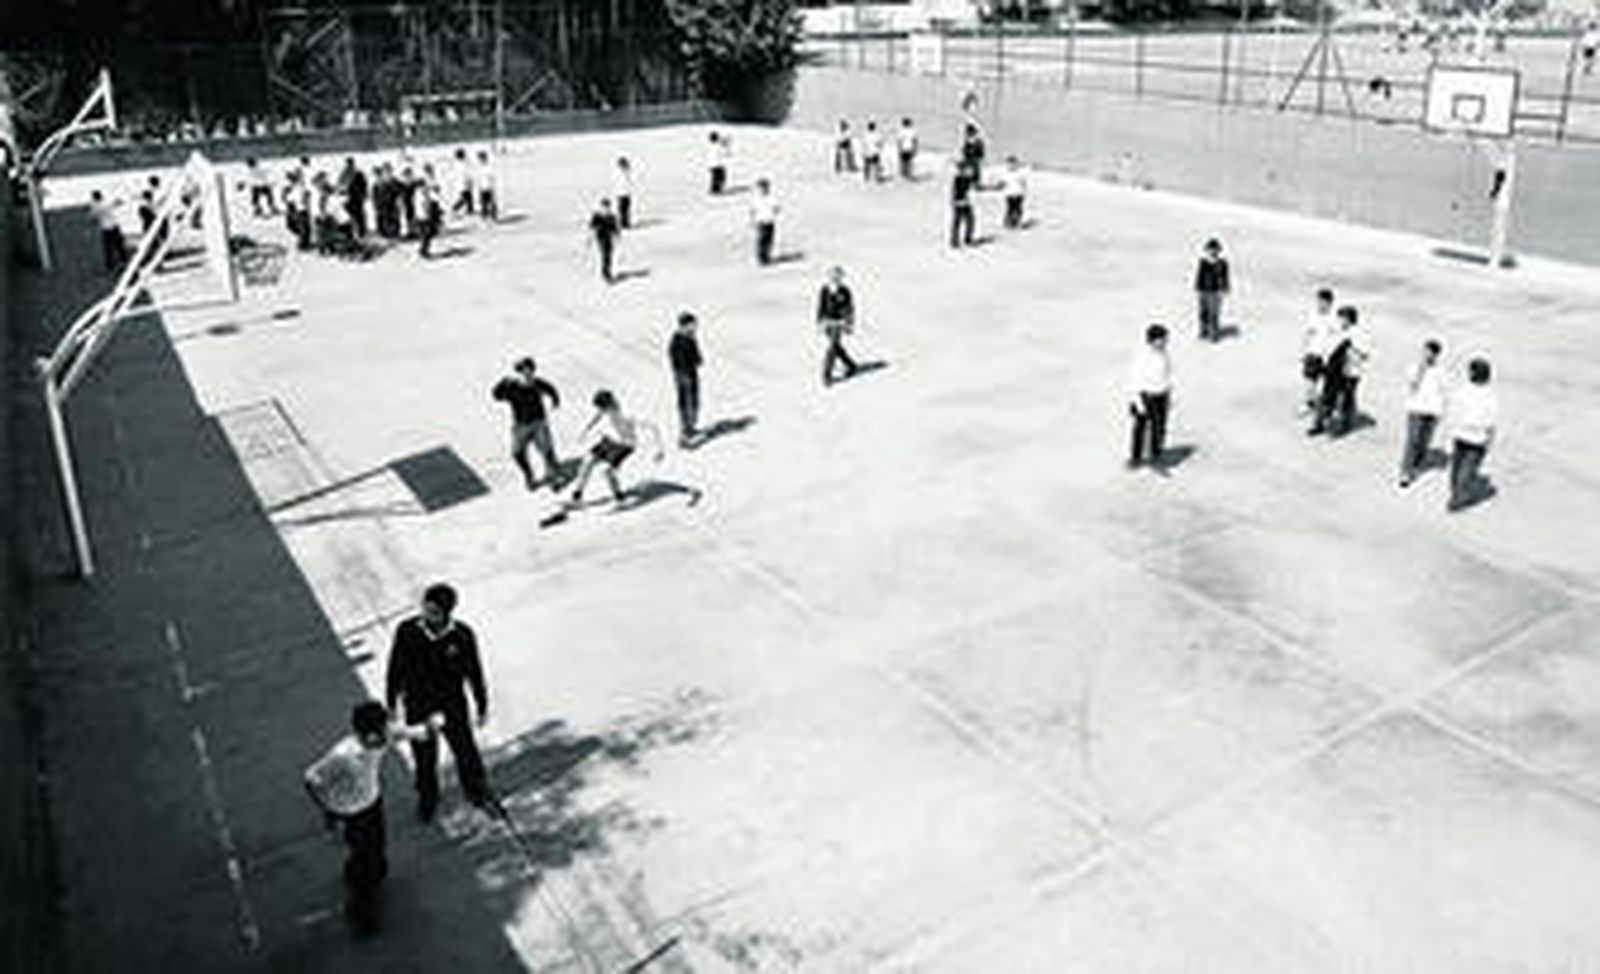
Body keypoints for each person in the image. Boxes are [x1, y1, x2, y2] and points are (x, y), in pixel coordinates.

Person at [304, 701, 444, 935]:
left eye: (384, 730)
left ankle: (359, 873)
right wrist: (328, 808)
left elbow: (416, 733)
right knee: (366, 861)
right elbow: (311, 778)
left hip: (372, 804)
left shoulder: (384, 734)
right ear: (363, 733)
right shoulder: (344, 755)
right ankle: (360, 914)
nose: (384, 738)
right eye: (378, 733)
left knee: (376, 849)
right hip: (350, 812)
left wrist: (433, 725)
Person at [384, 583, 493, 822]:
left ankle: (477, 791)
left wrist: (481, 704)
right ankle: (428, 800)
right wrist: (391, 702)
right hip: (418, 707)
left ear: (446, 612)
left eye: (433, 609)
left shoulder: (462, 635)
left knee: (466, 752)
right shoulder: (407, 630)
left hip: (452, 706)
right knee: (424, 759)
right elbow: (395, 668)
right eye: (425, 606)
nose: (426, 612)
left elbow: (474, 672)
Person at [566, 390, 665, 507]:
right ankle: (577, 496)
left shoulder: (628, 413)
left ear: (610, 404)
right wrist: (586, 429)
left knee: (606, 470)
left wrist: (659, 448)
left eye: (604, 409)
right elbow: (597, 416)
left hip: (625, 444)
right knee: (587, 461)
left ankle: (620, 499)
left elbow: (653, 426)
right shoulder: (605, 409)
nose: (602, 412)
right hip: (609, 440)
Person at [492, 357, 563, 490]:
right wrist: (502, 383)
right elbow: (496, 395)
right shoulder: (512, 387)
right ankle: (528, 474)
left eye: (528, 371)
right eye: (522, 371)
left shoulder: (538, 383)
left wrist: (555, 401)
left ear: (532, 371)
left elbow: (551, 389)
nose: (526, 374)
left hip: (538, 423)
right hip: (520, 425)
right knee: (517, 453)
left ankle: (553, 477)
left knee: (547, 451)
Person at [1447, 357, 1497, 511]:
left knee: (1457, 467)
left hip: (1461, 435)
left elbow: (1453, 413)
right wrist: (1490, 440)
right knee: (1467, 470)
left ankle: (1456, 494)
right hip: (1477, 438)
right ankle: (1457, 498)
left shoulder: (1462, 391)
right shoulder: (1490, 395)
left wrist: (1450, 433)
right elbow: (1491, 420)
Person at [1313, 305, 1371, 436]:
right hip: (1333, 371)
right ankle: (1319, 423)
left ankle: (1345, 424)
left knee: (1346, 398)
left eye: (1342, 318)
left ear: (1349, 319)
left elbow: (1365, 353)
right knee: (1327, 396)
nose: (1339, 321)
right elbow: (1328, 347)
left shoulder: (1360, 334)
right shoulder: (1337, 331)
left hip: (1351, 372)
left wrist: (1352, 350)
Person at [1398, 339, 1445, 488]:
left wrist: (1441, 412)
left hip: (1433, 410)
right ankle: (1405, 472)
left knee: (1424, 441)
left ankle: (1416, 464)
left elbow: (1443, 392)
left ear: (1436, 355)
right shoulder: (1413, 367)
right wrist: (1421, 369)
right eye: (1425, 351)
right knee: (1412, 440)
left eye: (1431, 353)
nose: (1427, 355)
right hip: (1416, 408)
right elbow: (1413, 385)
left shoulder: (1441, 371)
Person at [1126, 324, 1173, 469]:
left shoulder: (1164, 354)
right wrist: (1138, 402)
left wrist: (1169, 394)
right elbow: (1134, 380)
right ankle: (1135, 458)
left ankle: (1156, 454)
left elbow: (1167, 374)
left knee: (1159, 427)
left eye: (1166, 339)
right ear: (1152, 340)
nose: (1165, 342)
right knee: (1140, 428)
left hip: (1161, 395)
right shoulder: (1141, 357)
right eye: (1162, 339)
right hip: (1145, 396)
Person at [817, 265, 862, 386]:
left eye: (838, 276)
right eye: (833, 276)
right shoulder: (825, 290)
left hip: (839, 323)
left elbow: (849, 308)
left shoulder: (845, 291)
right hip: (828, 322)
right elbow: (821, 306)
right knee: (836, 347)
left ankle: (827, 375)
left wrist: (849, 323)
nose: (835, 278)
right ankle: (851, 365)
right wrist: (820, 321)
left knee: (831, 348)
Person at [1300, 288, 1337, 415]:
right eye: (1319, 301)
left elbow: (1337, 338)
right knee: (1310, 381)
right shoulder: (1313, 315)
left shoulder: (1334, 318)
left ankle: (1328, 406)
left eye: (1323, 302)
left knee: (1328, 383)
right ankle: (1309, 404)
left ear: (1330, 303)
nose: (1320, 304)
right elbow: (1307, 334)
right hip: (1313, 353)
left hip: (1327, 356)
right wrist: (1304, 351)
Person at [668, 312, 703, 446]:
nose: (695, 327)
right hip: (684, 375)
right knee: (686, 402)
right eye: (692, 325)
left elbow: (694, 352)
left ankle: (690, 428)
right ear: (684, 326)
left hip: (690, 373)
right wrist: (683, 373)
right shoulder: (677, 340)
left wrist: (698, 359)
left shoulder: (690, 337)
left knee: (693, 401)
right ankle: (684, 436)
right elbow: (676, 359)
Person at [1193, 237, 1230, 342]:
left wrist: (1224, 288)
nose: (1213, 251)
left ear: (1218, 250)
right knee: (1203, 311)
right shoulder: (1203, 262)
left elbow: (1225, 276)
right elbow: (1199, 275)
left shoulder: (1222, 263)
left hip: (1215, 291)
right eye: (1210, 249)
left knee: (1213, 313)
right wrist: (1198, 287)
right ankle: (1203, 331)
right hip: (1204, 290)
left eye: (1215, 249)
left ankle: (1214, 333)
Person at [88, 190, 127, 271]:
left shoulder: (96, 207)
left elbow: (92, 216)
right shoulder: (106, 203)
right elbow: (116, 203)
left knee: (108, 247)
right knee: (119, 245)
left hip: (105, 228)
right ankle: (124, 259)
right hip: (114, 225)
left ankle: (110, 264)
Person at [589, 197, 622, 283]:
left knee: (609, 254)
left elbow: (615, 227)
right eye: (605, 206)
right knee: (605, 254)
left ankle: (607, 271)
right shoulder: (597, 216)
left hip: (609, 237)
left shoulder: (612, 216)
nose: (606, 208)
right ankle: (606, 273)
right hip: (601, 237)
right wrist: (590, 237)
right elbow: (592, 226)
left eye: (608, 206)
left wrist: (617, 234)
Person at [749, 178, 779, 266]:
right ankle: (762, 257)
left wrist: (774, 211)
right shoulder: (756, 199)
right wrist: (753, 220)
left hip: (769, 220)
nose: (764, 190)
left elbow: (776, 207)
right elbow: (752, 210)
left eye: (765, 187)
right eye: (761, 188)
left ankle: (766, 255)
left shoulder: (771, 197)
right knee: (762, 240)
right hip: (761, 221)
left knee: (769, 239)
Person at [949, 161, 978, 249]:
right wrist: (958, 200)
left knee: (969, 220)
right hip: (960, 202)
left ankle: (965, 238)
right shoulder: (959, 179)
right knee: (960, 221)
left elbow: (973, 187)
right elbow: (957, 191)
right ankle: (956, 240)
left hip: (965, 201)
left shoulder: (966, 179)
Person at [417, 165, 443, 258]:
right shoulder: (421, 191)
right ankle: (423, 250)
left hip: (432, 207)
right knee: (427, 231)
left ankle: (424, 249)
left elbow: (436, 192)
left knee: (432, 230)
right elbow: (423, 203)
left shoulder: (433, 179)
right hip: (426, 212)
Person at [341, 157, 369, 238]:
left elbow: (364, 186)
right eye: (348, 164)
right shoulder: (344, 174)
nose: (349, 166)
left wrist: (364, 196)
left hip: (357, 199)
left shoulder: (358, 174)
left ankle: (361, 232)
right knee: (351, 217)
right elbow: (341, 186)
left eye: (350, 164)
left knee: (359, 216)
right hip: (349, 199)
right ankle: (353, 233)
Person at [1001, 155, 1029, 229]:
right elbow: (1003, 183)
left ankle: (1019, 221)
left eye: (1013, 164)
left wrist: (1024, 191)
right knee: (1010, 208)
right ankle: (1009, 221)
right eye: (1009, 164)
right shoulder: (1005, 173)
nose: (1011, 166)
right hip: (1009, 193)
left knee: (1018, 208)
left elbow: (1024, 183)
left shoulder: (1020, 173)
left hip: (1018, 193)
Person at [451, 147, 476, 216]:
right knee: (466, 198)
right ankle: (455, 208)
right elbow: (465, 175)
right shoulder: (462, 164)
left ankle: (470, 210)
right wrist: (469, 182)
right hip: (463, 184)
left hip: (463, 183)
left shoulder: (461, 163)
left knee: (468, 198)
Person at [475, 149, 498, 221]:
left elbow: (492, 177)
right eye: (479, 159)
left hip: (489, 187)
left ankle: (493, 217)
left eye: (480, 158)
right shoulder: (479, 167)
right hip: (482, 187)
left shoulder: (489, 166)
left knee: (491, 202)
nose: (479, 160)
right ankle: (485, 217)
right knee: (483, 203)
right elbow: (478, 178)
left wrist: (492, 186)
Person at [612, 156, 635, 228]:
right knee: (622, 209)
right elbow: (618, 182)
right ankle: (623, 223)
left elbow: (629, 181)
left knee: (626, 209)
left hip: (626, 193)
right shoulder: (619, 172)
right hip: (621, 193)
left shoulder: (627, 171)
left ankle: (625, 222)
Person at [708, 130, 731, 195]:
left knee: (715, 178)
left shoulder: (711, 146)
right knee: (721, 178)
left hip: (712, 165)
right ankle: (716, 190)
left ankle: (714, 190)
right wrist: (726, 145)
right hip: (718, 165)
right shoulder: (718, 146)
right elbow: (726, 153)